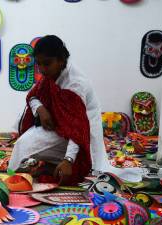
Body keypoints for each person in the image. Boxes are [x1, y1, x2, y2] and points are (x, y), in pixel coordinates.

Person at [9, 35, 142, 185]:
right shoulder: (51, 73)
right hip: (61, 125)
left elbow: (78, 128)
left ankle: (53, 167)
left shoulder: (75, 85)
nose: (42, 69)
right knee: (24, 145)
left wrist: (68, 160)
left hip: (84, 131)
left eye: (46, 64)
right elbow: (33, 96)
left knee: (84, 171)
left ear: (60, 60)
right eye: (39, 64)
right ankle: (16, 176)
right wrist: (41, 109)